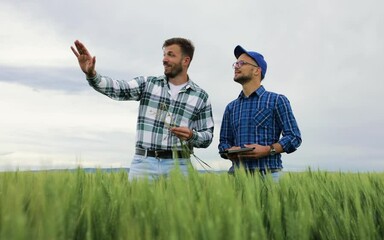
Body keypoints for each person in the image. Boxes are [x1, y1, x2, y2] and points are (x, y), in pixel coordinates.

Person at [71, 38, 214, 180]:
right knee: (137, 204)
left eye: (170, 55)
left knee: (179, 204)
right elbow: (118, 88)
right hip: (144, 164)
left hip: (180, 165)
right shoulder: (148, 84)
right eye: (164, 55)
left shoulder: (201, 97)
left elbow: (207, 136)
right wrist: (92, 75)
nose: (164, 59)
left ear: (185, 61)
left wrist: (191, 135)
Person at [218, 45, 302, 181]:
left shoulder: (277, 100)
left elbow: (294, 137)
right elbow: (224, 142)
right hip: (237, 177)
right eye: (235, 63)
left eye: (242, 63)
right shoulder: (230, 107)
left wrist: (268, 150)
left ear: (257, 71)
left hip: (269, 175)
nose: (236, 66)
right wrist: (229, 152)